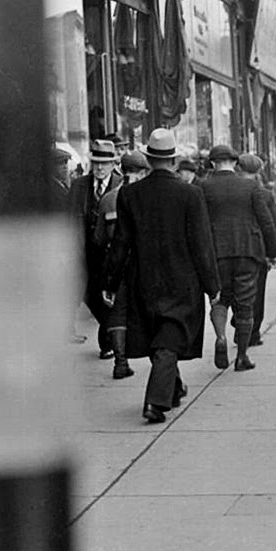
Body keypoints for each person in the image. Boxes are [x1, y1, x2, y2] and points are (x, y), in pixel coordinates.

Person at [104, 129, 221, 424]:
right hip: (182, 279)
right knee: (169, 338)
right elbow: (202, 244)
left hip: (144, 277)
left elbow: (121, 242)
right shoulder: (190, 194)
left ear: (147, 158)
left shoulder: (130, 194)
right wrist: (212, 286)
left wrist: (110, 281)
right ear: (174, 159)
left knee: (159, 333)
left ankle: (174, 386)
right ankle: (156, 401)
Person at [201, 144, 276, 371]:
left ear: (213, 163)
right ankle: (242, 356)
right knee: (245, 304)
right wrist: (272, 252)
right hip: (247, 251)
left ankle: (221, 337)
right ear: (234, 163)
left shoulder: (203, 186)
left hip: (216, 253)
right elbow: (266, 221)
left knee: (219, 298)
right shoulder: (250, 186)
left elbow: (199, 223)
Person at [95, 150, 149, 379]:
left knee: (117, 312)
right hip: (143, 262)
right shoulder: (145, 197)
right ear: (144, 171)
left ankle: (120, 361)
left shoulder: (108, 199)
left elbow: (99, 238)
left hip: (116, 263)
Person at [69, 139, 123, 358]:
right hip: (85, 253)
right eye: (96, 163)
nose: (100, 168)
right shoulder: (79, 186)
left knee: (109, 297)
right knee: (90, 296)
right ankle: (108, 334)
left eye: (105, 163)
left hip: (110, 254)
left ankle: (107, 341)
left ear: (113, 164)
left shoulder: (122, 186)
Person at [237, 152, 276, 347]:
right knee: (257, 294)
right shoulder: (264, 194)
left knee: (233, 292)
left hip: (232, 248)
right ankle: (251, 333)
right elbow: (271, 224)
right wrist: (274, 253)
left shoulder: (231, 191)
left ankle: (238, 322)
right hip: (257, 250)